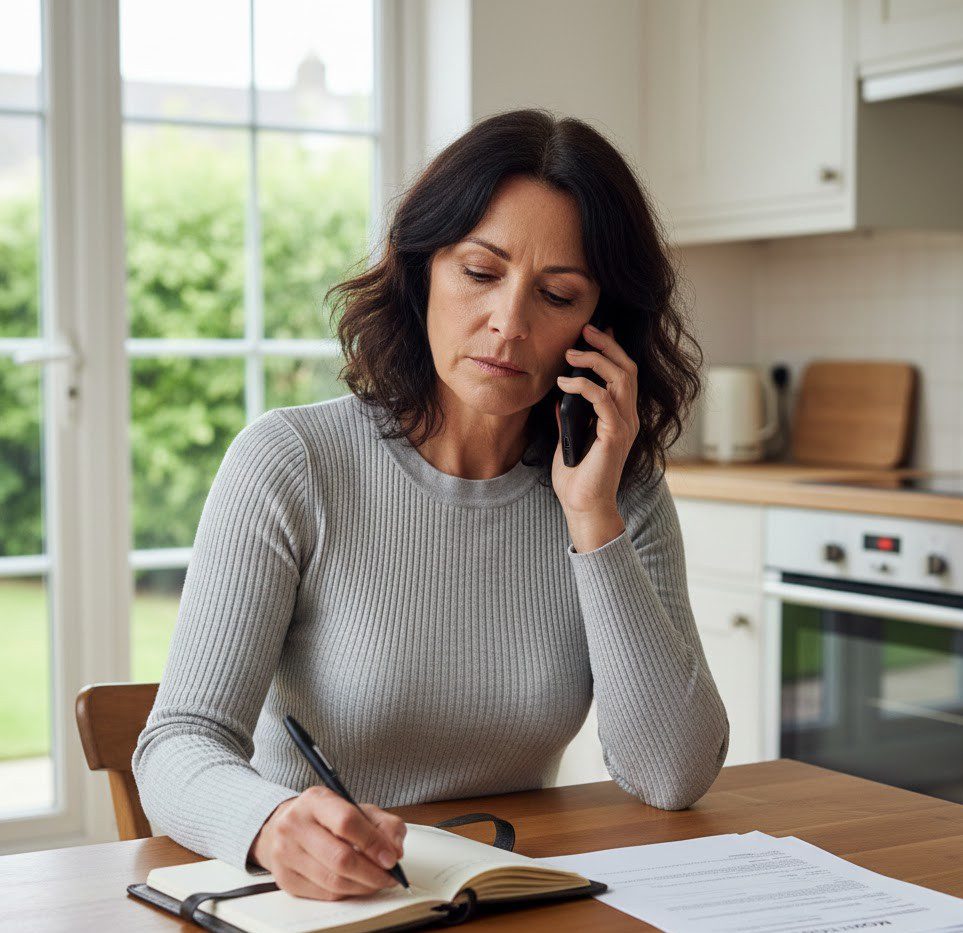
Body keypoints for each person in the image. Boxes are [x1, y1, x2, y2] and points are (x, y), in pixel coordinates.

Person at [132, 107, 729, 902]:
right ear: (423, 273)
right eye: (480, 273)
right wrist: (273, 824)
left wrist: (592, 520)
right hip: (322, 905)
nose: (508, 323)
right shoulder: (292, 463)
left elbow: (671, 775)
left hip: (506, 897)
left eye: (556, 294)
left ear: (599, 327)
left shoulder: (618, 489)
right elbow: (177, 743)